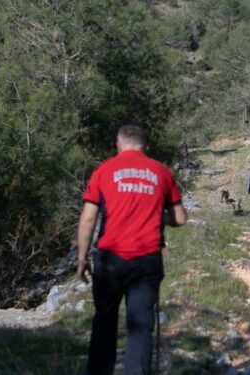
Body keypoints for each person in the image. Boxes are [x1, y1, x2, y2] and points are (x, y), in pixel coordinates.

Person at [77, 125, 187, 375]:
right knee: (140, 327)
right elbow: (180, 217)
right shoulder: (161, 172)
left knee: (104, 321)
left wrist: (82, 257)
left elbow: (87, 219)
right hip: (147, 260)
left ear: (118, 145)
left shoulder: (103, 171)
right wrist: (159, 217)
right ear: (145, 147)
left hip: (109, 259)